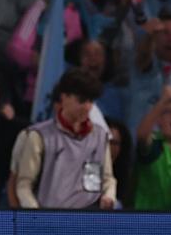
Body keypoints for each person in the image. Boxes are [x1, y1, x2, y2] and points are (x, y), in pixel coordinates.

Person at [14, 69, 116, 210]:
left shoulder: (99, 136)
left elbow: (107, 179)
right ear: (64, 97)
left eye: (90, 101)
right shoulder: (39, 136)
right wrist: (35, 215)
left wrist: (109, 196)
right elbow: (24, 185)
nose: (87, 107)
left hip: (89, 219)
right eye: (81, 100)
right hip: (49, 218)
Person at [133, 89, 171, 209]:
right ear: (159, 119)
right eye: (170, 112)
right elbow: (141, 135)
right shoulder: (155, 145)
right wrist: (163, 101)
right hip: (145, 218)